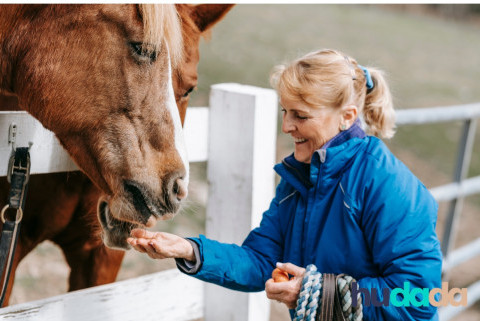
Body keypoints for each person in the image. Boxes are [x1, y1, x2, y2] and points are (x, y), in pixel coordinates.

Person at [127, 49, 442, 320]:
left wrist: (321, 294)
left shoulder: (388, 184)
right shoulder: (300, 178)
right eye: (285, 111)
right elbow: (263, 260)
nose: (286, 126)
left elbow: (418, 299)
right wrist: (190, 249)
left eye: (301, 116)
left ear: (347, 116)